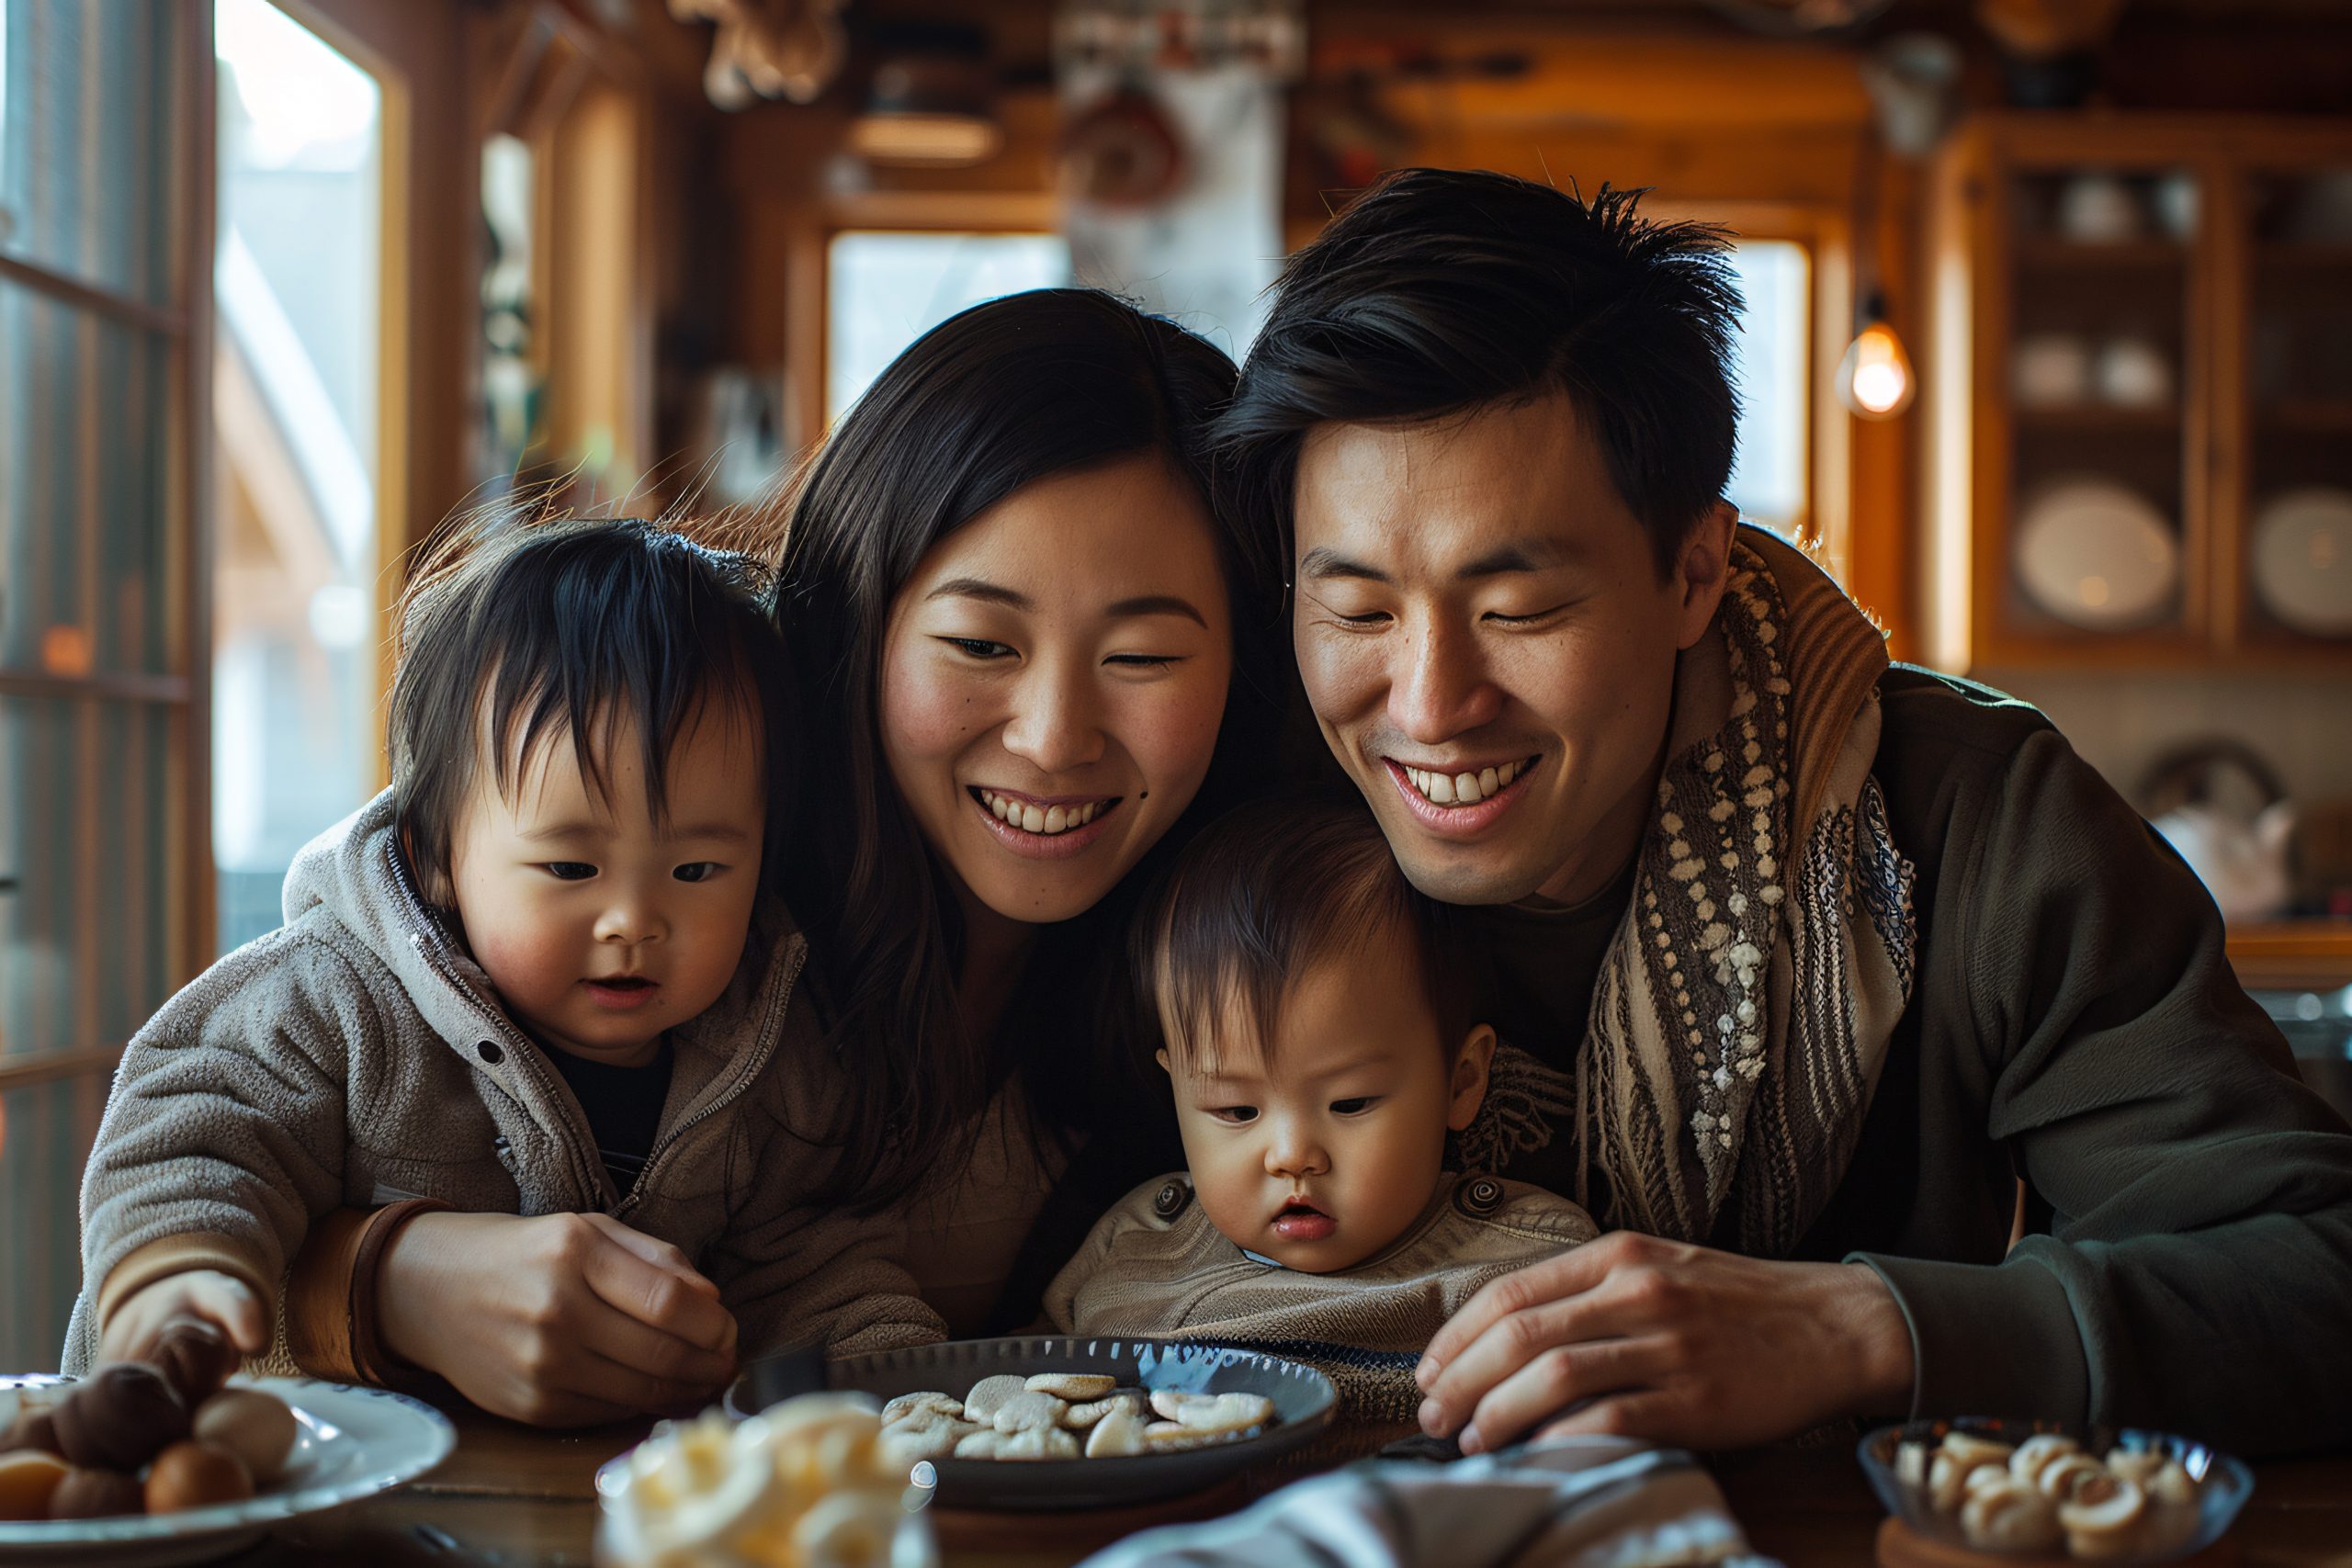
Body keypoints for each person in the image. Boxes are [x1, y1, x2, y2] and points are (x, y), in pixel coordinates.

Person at [1212, 167, 2352, 1458]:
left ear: (1694, 569)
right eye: (1357, 609)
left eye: (1518, 607)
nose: (1430, 703)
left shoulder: (1963, 818)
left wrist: (1863, 1329)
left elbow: (2317, 1271)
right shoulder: (1231, 832)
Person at [264, 289, 1283, 1420]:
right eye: (980, 643)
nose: (1052, 736)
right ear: (859, 624)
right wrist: (385, 1284)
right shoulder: (651, 875)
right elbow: (140, 1305)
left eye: (1142, 656)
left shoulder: (1278, 961)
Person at [64, 516, 944, 1397]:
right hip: (304, 1490)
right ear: (436, 855)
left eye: (697, 868)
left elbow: (817, 1269)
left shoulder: (774, 1054)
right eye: (570, 866)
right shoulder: (336, 998)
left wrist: (911, 1389)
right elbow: (197, 1124)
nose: (633, 920)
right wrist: (173, 1280)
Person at [1044, 798, 1598, 1419]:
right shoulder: (1137, 1249)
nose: (1292, 1154)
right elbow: (1023, 1396)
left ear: (1461, 1081)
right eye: (1234, 1110)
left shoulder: (1521, 1267)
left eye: (1350, 1101)